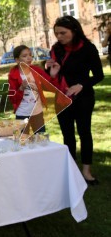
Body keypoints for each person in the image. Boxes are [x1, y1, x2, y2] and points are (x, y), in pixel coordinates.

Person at [48, 16, 104, 185]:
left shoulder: (88, 48)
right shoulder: (56, 49)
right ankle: (71, 170)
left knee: (84, 132)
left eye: (63, 33)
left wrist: (81, 85)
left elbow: (99, 75)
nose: (59, 37)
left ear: (74, 30)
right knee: (67, 135)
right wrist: (53, 72)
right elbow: (52, 76)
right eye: (57, 33)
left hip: (83, 98)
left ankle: (86, 171)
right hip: (61, 97)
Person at [7, 45, 61, 134]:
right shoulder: (13, 75)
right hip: (22, 113)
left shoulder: (36, 70)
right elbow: (12, 98)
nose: (28, 58)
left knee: (40, 138)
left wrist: (53, 75)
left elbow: (52, 87)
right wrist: (21, 88)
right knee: (23, 140)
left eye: (30, 55)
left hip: (37, 111)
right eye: (24, 56)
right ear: (17, 60)